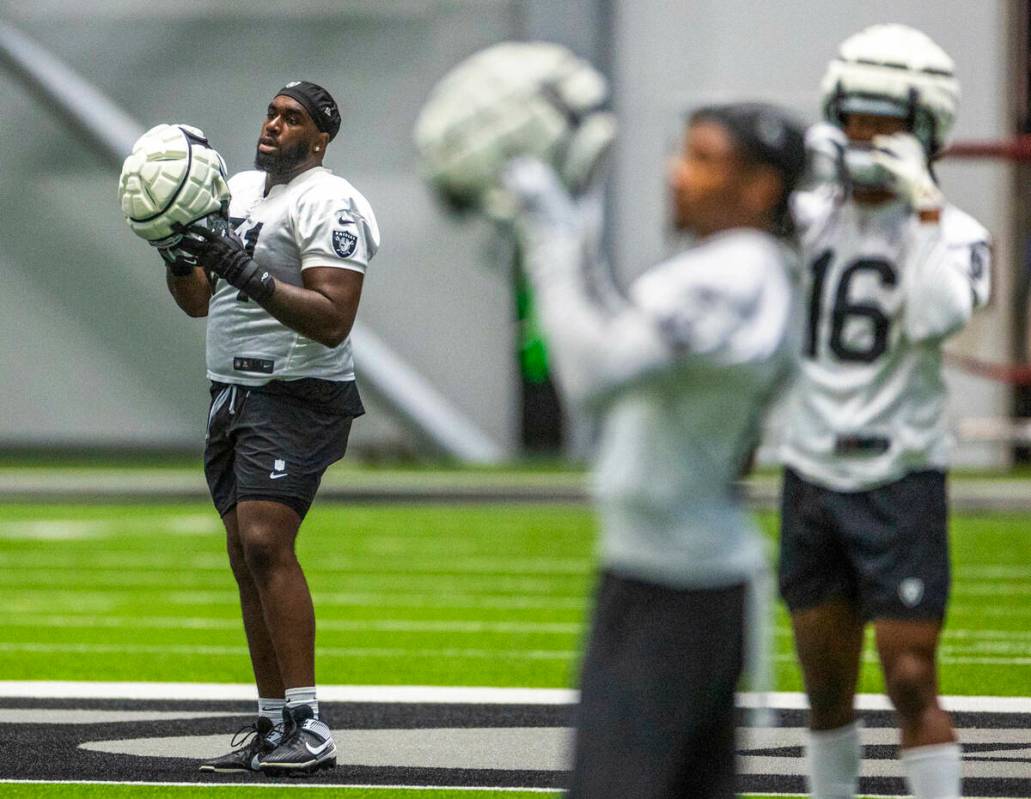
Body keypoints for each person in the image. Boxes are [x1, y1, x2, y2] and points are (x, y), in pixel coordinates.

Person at [502, 102, 805, 798]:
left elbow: (589, 375)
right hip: (675, 573)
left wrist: (549, 239)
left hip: (675, 588)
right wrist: (572, 243)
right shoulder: (736, 270)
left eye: (702, 159)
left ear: (761, 187)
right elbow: (621, 342)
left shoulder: (732, 272)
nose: (675, 173)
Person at [779, 24, 991, 799]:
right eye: (853, 118)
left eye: (885, 122)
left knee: (907, 676)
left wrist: (924, 203)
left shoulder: (953, 232)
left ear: (925, 130)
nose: (865, 137)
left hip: (898, 471)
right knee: (825, 690)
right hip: (810, 468)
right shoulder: (805, 218)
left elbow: (936, 316)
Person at [160, 80, 380, 775]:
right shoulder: (240, 191)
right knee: (242, 553)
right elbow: (198, 301)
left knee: (263, 538)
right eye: (271, 113)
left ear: (320, 139)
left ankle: (309, 726)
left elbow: (332, 314)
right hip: (232, 392)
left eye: (293, 119)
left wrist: (248, 273)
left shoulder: (331, 200)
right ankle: (272, 721)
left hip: (295, 389)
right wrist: (174, 252)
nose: (274, 125)